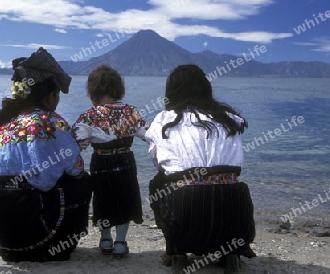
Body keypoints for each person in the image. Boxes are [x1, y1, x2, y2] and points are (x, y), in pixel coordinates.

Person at [0, 47, 92, 262]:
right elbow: (74, 171)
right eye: (56, 95)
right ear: (49, 97)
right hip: (33, 225)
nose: (57, 100)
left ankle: (16, 249)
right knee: (82, 181)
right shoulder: (49, 121)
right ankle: (59, 245)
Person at [145, 64, 256, 274]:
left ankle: (176, 251)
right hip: (234, 211)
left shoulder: (164, 120)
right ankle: (231, 252)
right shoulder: (229, 119)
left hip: (186, 213)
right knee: (230, 183)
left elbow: (160, 163)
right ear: (206, 88)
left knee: (158, 183)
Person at [73, 65, 146, 258]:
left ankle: (105, 240)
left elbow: (78, 145)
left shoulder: (88, 116)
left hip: (101, 162)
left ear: (93, 89)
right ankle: (121, 243)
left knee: (103, 199)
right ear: (118, 88)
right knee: (125, 198)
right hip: (125, 160)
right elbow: (148, 136)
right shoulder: (131, 111)